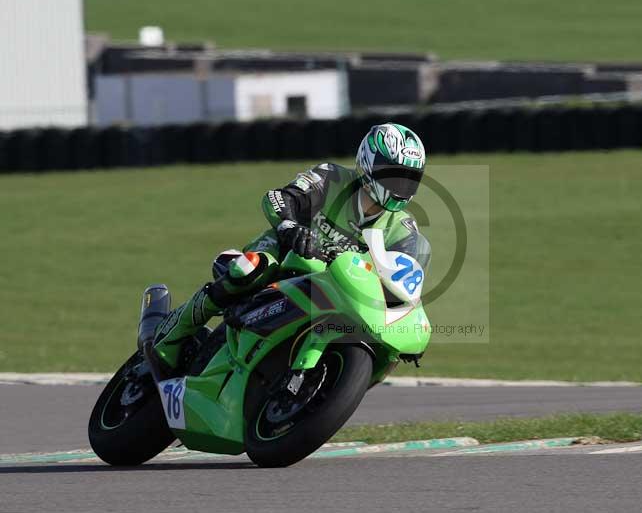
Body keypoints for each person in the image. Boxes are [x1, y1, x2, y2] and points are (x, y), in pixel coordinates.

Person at [149, 123, 431, 370]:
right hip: (288, 254)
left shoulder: (403, 228)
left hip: (338, 286)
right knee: (247, 269)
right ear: (369, 164)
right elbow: (278, 197)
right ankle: (171, 334)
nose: (400, 187)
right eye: (393, 175)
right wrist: (290, 226)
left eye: (409, 178)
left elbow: (402, 280)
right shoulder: (331, 178)